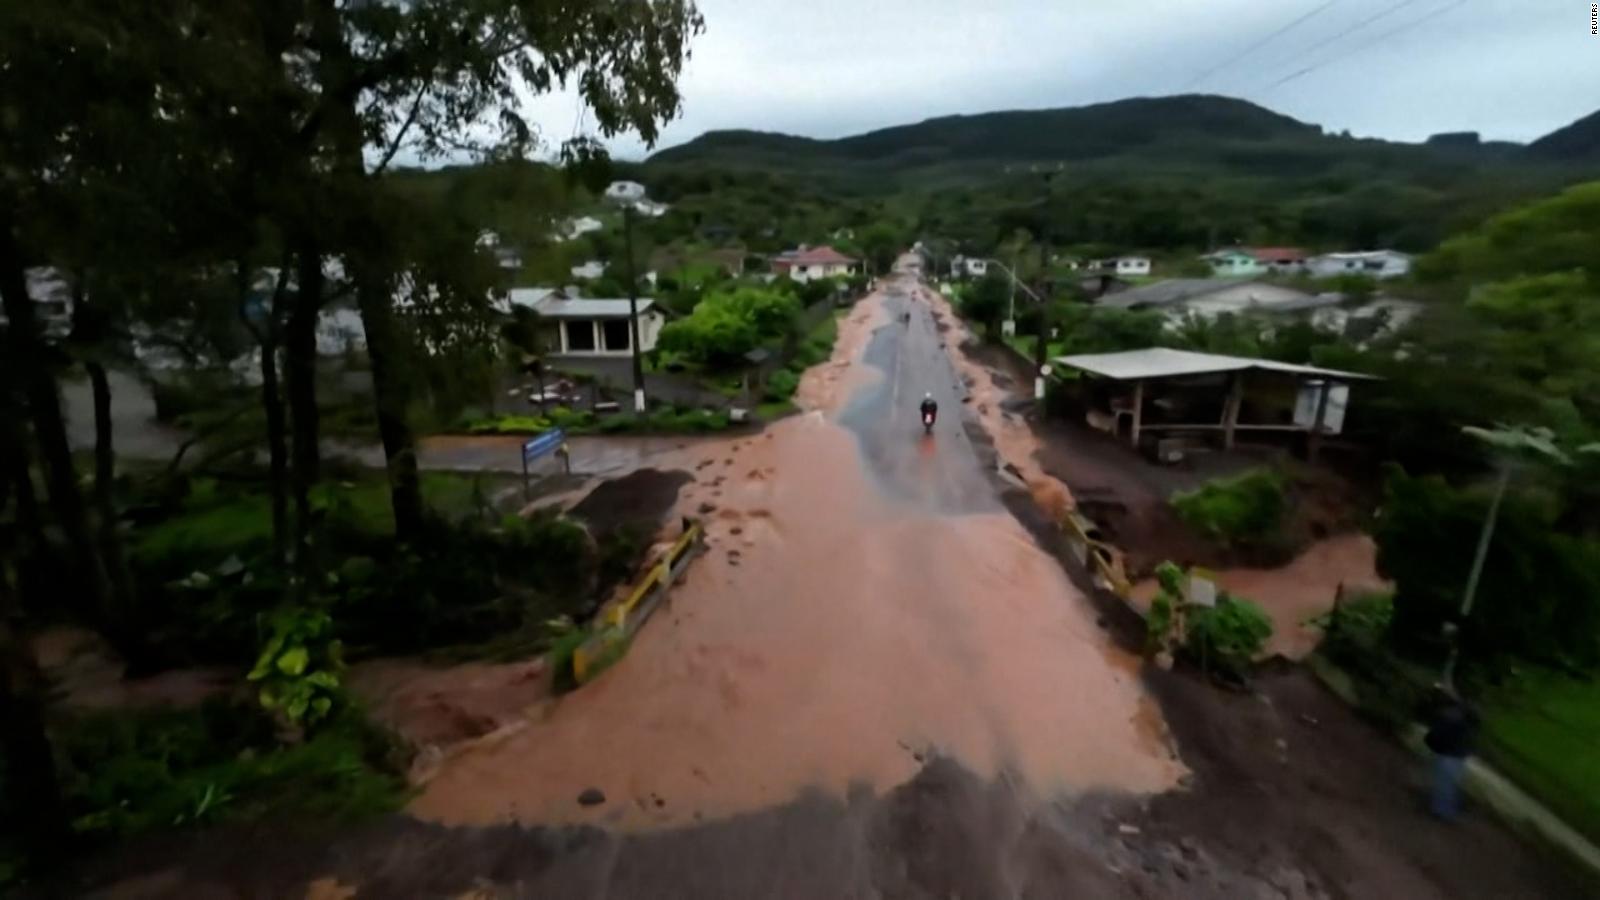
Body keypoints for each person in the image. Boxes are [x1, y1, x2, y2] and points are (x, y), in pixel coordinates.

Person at [1423, 684, 1479, 821]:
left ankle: (1442, 811)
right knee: (1450, 782)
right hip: (1458, 753)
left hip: (1448, 753)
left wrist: (1431, 743)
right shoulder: (1463, 714)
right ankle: (1448, 809)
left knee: (1444, 782)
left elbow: (1436, 735)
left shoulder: (1449, 716)